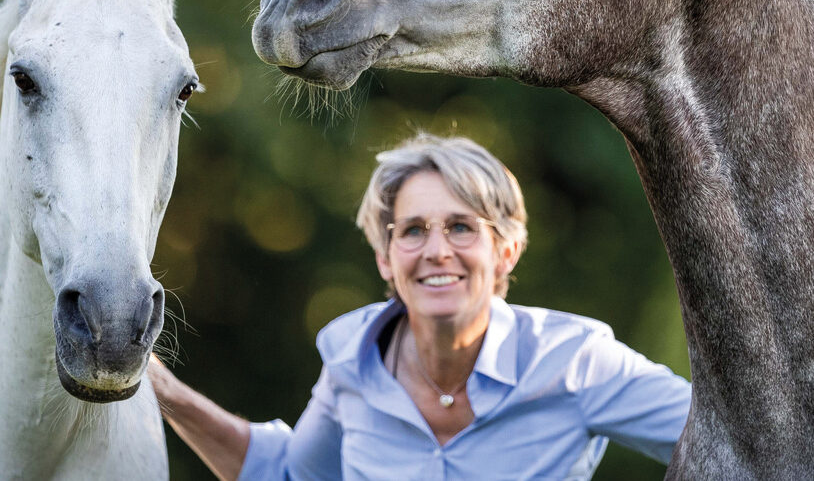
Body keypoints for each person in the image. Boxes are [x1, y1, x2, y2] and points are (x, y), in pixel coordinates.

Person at [149, 134, 691, 480]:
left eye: (460, 226)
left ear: (505, 251)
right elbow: (286, 475)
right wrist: (163, 391)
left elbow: (742, 440)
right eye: (412, 231)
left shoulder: (576, 362)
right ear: (386, 258)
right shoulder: (349, 361)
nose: (436, 250)